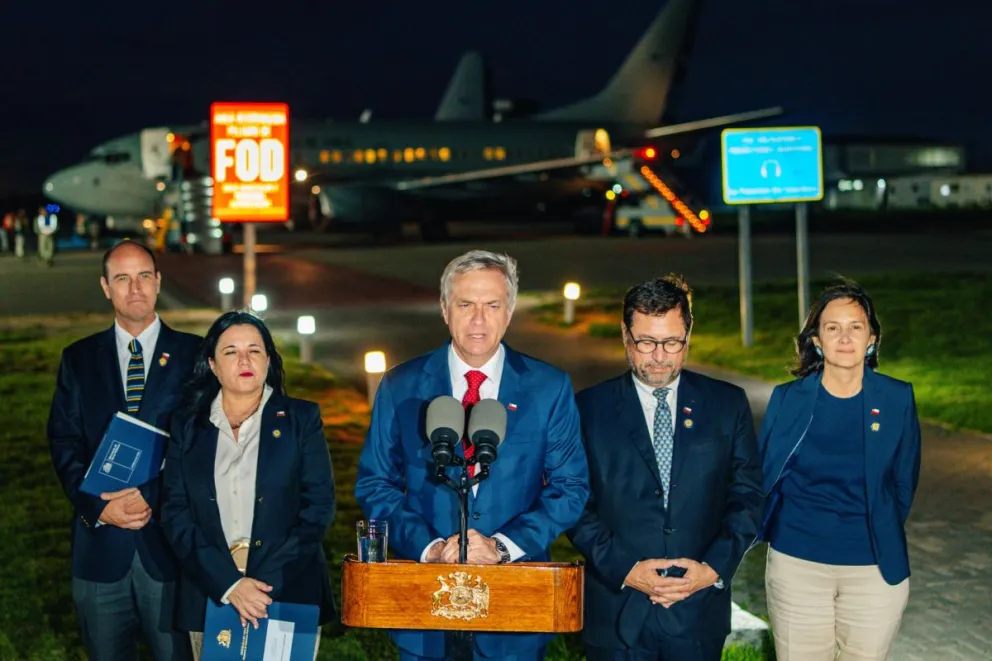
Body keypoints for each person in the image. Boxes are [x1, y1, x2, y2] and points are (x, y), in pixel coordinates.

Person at [354, 249, 590, 661]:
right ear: (445, 310)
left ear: (510, 311)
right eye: (466, 305)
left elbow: (570, 488)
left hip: (513, 611)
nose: (478, 319)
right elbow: (376, 483)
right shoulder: (401, 385)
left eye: (492, 305)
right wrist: (430, 548)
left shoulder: (548, 388)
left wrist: (502, 547)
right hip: (425, 611)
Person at [567, 274, 764, 661]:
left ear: (688, 335)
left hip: (697, 613)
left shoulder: (727, 404)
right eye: (646, 342)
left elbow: (748, 497)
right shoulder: (586, 409)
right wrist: (626, 568)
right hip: (615, 609)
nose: (659, 356)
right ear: (626, 335)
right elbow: (573, 502)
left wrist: (712, 569)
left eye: (672, 342)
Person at [47, 240, 200, 660]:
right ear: (105, 287)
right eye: (122, 278)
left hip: (170, 547)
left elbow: (206, 445)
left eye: (144, 276)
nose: (135, 288)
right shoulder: (78, 359)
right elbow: (64, 441)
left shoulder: (195, 356)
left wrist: (151, 496)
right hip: (100, 549)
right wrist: (98, 506)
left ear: (158, 282)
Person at [756, 281, 921, 661]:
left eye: (855, 326)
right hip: (797, 565)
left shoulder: (897, 398)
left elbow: (903, 482)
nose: (844, 337)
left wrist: (874, 527)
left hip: (874, 570)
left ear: (872, 338)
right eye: (832, 327)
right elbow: (764, 475)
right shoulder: (787, 399)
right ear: (816, 340)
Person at [161, 311, 336, 661]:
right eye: (231, 351)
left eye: (254, 350)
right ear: (212, 364)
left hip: (286, 586)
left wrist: (260, 586)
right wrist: (230, 584)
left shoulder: (301, 419)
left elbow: (317, 508)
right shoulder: (187, 426)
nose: (244, 360)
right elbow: (175, 512)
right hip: (211, 590)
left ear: (268, 361)